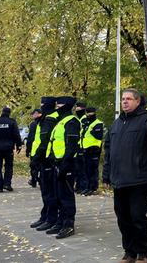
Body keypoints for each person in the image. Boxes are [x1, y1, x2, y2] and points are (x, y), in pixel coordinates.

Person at [103, 89, 147, 263]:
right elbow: (108, 150)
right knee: (123, 218)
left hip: (138, 179)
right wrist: (106, 175)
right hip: (119, 180)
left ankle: (144, 252)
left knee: (137, 217)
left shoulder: (146, 121)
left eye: (129, 99)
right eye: (123, 99)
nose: (125, 102)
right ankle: (130, 252)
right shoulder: (117, 123)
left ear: (138, 101)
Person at [45, 96, 80, 239]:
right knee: (58, 195)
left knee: (66, 196)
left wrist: (65, 165)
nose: (57, 107)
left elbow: (71, 146)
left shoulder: (71, 121)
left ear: (66, 106)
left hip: (67, 164)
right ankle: (60, 222)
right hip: (57, 163)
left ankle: (68, 224)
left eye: (59, 105)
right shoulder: (60, 121)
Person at [29, 97, 60, 232]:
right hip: (41, 158)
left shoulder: (51, 119)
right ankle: (46, 216)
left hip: (47, 159)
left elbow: (45, 141)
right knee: (45, 191)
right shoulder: (45, 118)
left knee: (49, 192)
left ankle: (50, 218)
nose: (41, 107)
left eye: (43, 104)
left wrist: (37, 158)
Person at [0, 107, 22, 192]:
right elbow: (16, 135)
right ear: (9, 113)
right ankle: (7, 184)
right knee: (8, 167)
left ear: (1, 112)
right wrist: (18, 145)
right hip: (8, 148)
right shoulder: (12, 122)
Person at [80, 106, 104, 196]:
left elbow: (99, 136)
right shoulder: (87, 124)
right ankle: (87, 187)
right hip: (85, 149)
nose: (89, 115)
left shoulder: (98, 123)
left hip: (94, 149)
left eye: (90, 113)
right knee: (86, 169)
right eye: (87, 113)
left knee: (92, 170)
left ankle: (93, 187)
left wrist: (91, 130)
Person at [73, 101, 88, 194]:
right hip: (79, 146)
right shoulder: (80, 119)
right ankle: (79, 186)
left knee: (82, 169)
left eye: (78, 109)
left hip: (83, 146)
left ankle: (83, 186)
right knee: (78, 168)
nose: (76, 110)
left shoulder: (84, 119)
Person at [25, 109, 42, 187]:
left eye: (33, 114)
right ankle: (40, 180)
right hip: (44, 148)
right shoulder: (47, 122)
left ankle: (34, 180)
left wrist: (28, 149)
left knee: (33, 166)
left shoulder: (33, 124)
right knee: (41, 166)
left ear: (37, 114)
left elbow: (30, 138)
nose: (32, 115)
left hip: (34, 149)